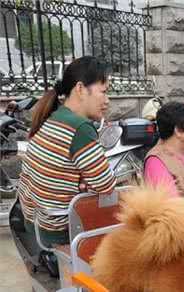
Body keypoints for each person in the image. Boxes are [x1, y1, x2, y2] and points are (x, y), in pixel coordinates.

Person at [17, 56, 115, 246]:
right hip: (58, 229)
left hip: (34, 219)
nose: (107, 100)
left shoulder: (56, 117)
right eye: (103, 92)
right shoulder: (80, 128)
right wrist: (83, 184)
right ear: (80, 89)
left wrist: (83, 183)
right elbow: (106, 186)